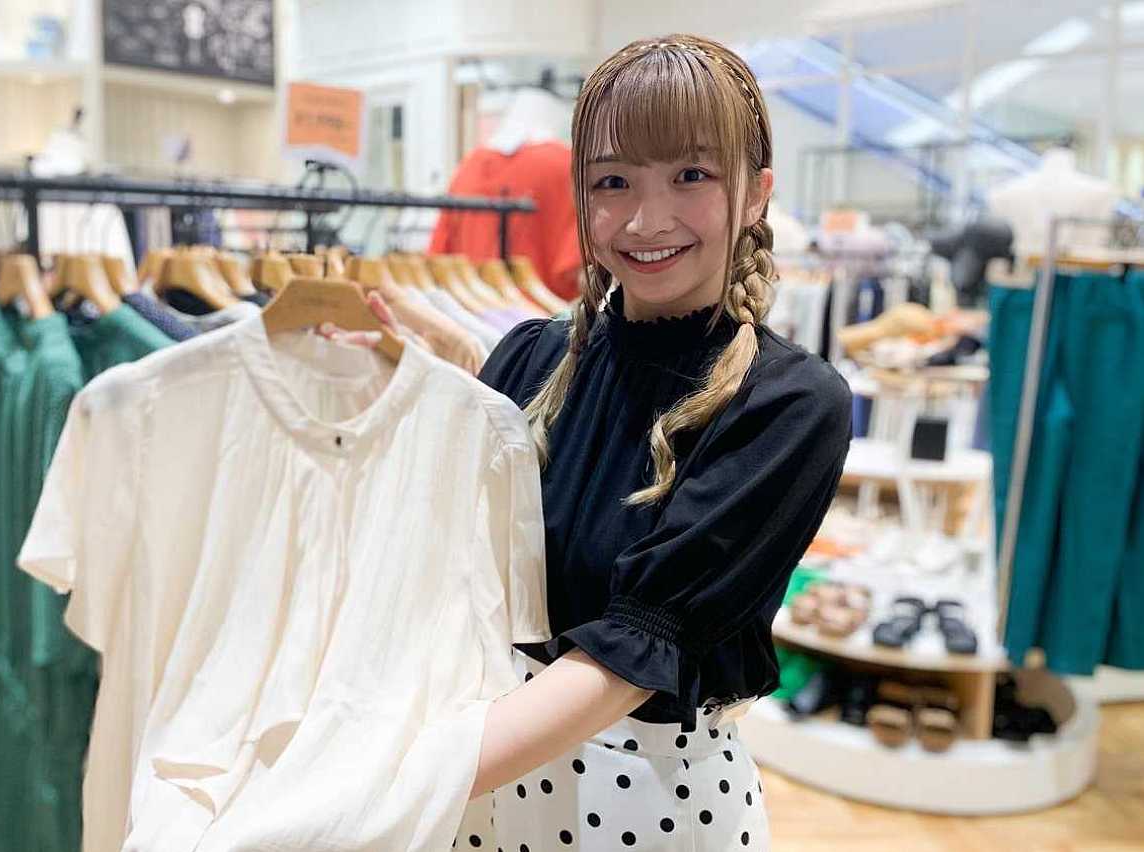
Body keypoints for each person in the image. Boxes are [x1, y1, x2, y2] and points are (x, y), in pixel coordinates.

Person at [335, 33, 852, 851]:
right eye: (614, 182)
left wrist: (387, 785)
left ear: (756, 194)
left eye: (691, 175)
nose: (647, 220)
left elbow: (632, 651)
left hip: (643, 802)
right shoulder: (531, 357)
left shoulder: (788, 404)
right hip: (483, 777)